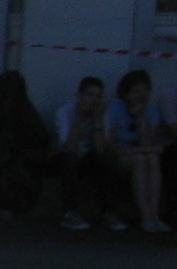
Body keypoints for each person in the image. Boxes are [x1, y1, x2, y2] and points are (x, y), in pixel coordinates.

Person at [54, 75, 125, 230]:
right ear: (79, 95)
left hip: (89, 157)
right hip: (67, 156)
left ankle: (108, 213)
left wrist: (98, 121)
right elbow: (68, 146)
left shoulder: (103, 113)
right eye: (89, 95)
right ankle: (70, 213)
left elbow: (100, 149)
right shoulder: (64, 112)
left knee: (108, 160)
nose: (94, 100)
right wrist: (80, 119)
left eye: (98, 96)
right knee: (69, 160)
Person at [111, 68, 169, 234]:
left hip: (138, 154)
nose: (141, 95)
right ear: (126, 93)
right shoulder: (114, 110)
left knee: (152, 158)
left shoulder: (152, 112)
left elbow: (148, 143)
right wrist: (146, 149)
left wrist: (141, 118)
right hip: (120, 159)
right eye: (136, 91)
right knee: (142, 158)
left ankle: (154, 214)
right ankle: (146, 215)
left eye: (145, 90)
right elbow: (113, 148)